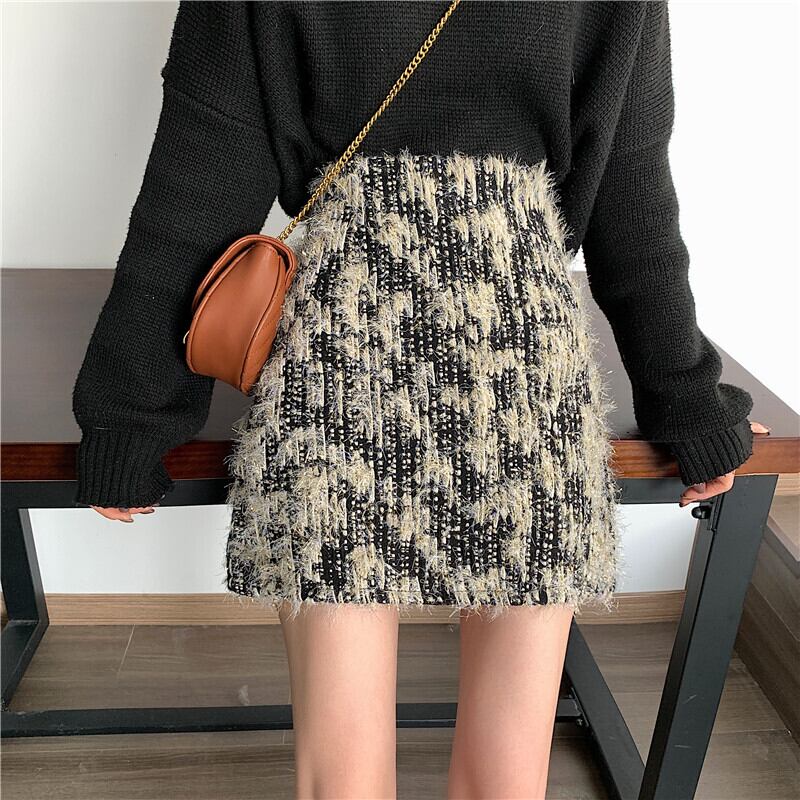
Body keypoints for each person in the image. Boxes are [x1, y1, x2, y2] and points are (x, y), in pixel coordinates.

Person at [71, 2, 766, 797]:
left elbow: (196, 187)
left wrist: (130, 417)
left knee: (343, 779)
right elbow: (632, 201)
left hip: (339, 359)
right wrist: (690, 406)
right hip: (521, 361)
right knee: (506, 779)